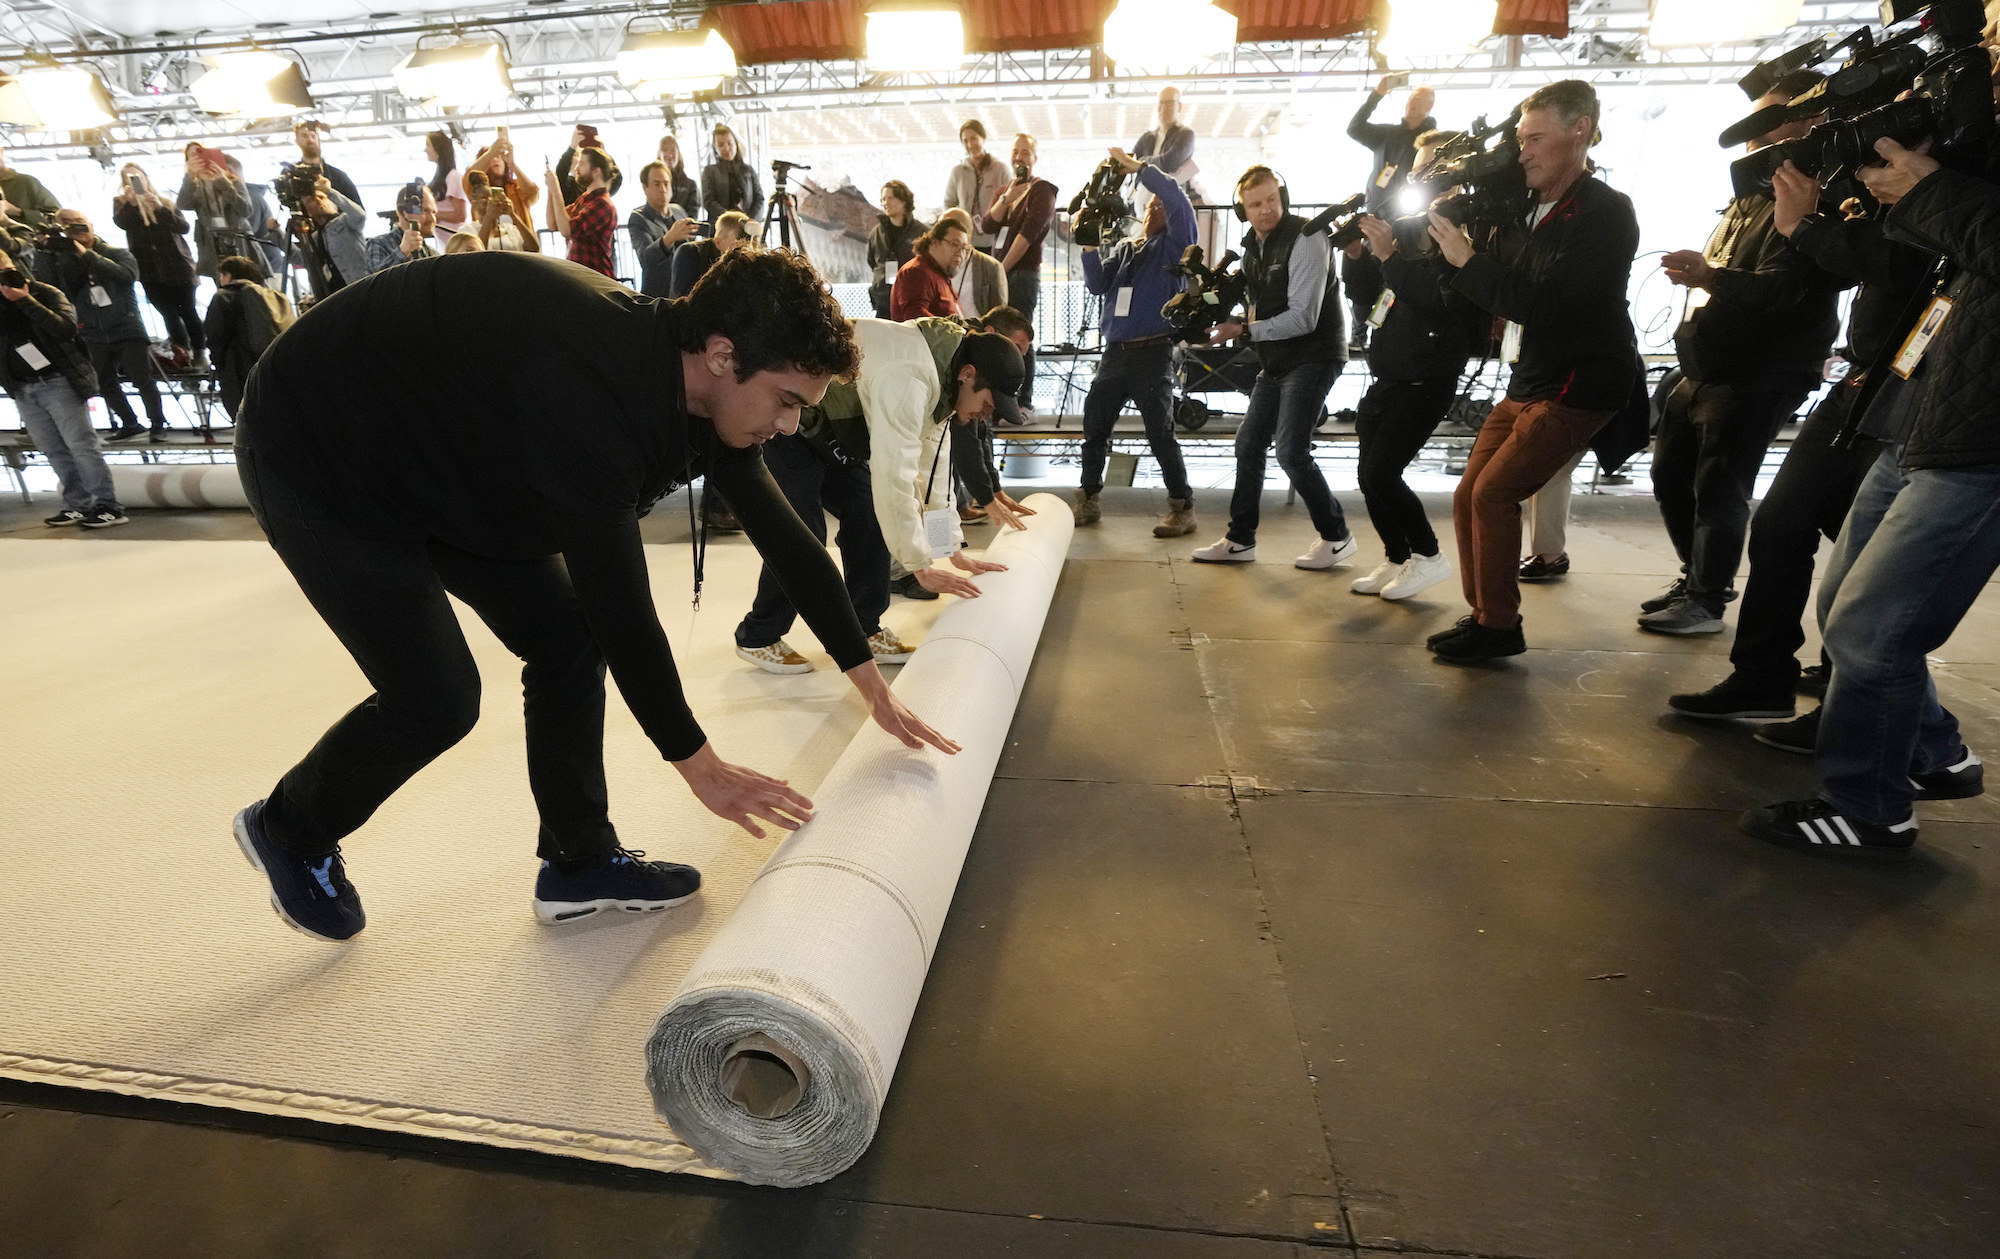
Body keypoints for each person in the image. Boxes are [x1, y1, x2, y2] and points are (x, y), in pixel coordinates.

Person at [229, 246, 958, 943]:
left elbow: (791, 538)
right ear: (723, 356)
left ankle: (578, 862)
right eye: (788, 401)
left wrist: (869, 681)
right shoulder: (590, 391)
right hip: (317, 448)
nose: (793, 424)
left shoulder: (699, 391)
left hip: (448, 454)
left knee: (566, 639)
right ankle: (289, 826)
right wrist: (701, 766)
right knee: (437, 697)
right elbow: (624, 607)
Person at [1740, 135, 1999, 857]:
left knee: (1872, 628)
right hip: (1921, 408)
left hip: (1978, 438)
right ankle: (1935, 750)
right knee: (1845, 605)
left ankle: (1870, 810)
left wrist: (1929, 190)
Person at [1669, 164, 1936, 724]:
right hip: (1865, 376)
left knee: (1867, 553)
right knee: (1781, 524)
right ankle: (1763, 678)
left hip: (1917, 384)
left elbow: (1886, 266)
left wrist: (1802, 227)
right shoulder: (1853, 198)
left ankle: (1874, 713)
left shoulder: (1955, 185)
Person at [1422, 79, 1640, 663]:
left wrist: (1468, 259)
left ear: (1580, 132)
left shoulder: (1605, 213)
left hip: (1580, 383)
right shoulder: (1520, 210)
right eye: (1520, 139)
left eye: (1536, 139)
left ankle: (1498, 626)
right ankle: (1487, 617)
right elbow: (1478, 295)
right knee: (1471, 492)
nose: (1522, 152)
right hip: (1530, 378)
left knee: (1495, 493)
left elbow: (1547, 305)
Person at [1643, 76, 1845, 636]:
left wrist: (1711, 276)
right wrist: (1705, 275)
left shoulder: (1810, 197)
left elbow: (1779, 290)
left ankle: (1706, 598)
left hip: (1768, 365)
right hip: (1712, 358)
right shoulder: (1748, 195)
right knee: (1669, 471)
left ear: (1810, 121)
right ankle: (1698, 577)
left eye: (1769, 121)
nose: (1755, 136)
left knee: (1721, 482)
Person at [733, 318, 1024, 674]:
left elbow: (933, 469)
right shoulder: (909, 374)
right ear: (968, 373)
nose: (986, 414)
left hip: (834, 430)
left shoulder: (944, 378)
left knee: (869, 511)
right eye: (989, 401)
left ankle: (863, 630)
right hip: (793, 424)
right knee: (802, 530)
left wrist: (946, 547)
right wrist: (918, 563)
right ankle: (759, 635)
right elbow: (895, 474)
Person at [1190, 166, 1353, 570]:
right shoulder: (1252, 248)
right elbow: (1235, 298)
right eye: (1255, 204)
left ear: (1283, 196)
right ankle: (1240, 539)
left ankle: (1337, 537)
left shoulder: (1308, 236)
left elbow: (1304, 318)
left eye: (1272, 200)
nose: (1266, 210)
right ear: (1242, 209)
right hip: (1277, 361)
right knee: (1248, 445)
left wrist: (1242, 330)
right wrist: (1200, 309)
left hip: (1314, 356)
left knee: (1291, 451)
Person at [1347, 145, 1487, 603]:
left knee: (1384, 472)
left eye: (1432, 172)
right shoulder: (1409, 231)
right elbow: (1371, 294)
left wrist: (1387, 255)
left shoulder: (1462, 236)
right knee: (1368, 476)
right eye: (1419, 171)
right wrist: (1358, 256)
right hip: (1388, 375)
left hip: (1427, 379)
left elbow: (1434, 299)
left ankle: (1428, 557)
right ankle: (1398, 554)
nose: (1420, 179)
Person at [1074, 148, 1198, 538]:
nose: (1154, 208)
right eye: (1151, 204)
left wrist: (1140, 169)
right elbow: (1097, 285)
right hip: (1115, 353)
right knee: (1095, 426)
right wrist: (1089, 245)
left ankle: (1182, 507)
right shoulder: (1128, 251)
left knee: (1160, 432)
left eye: (1160, 203)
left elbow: (1178, 200)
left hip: (1153, 351)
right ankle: (1089, 498)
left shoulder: (1176, 247)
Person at [0, 245, 126, 528]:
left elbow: (64, 329)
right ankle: (76, 504)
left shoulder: (45, 292)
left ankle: (108, 505)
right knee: (52, 449)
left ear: (13, 267)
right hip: (23, 387)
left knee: (81, 445)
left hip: (58, 381)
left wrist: (24, 300)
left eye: (3, 272)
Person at [45, 208, 170, 444]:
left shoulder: (117, 253)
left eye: (80, 224)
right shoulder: (65, 262)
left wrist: (87, 255)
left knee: (142, 379)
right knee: (104, 381)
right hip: (92, 330)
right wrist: (56, 251)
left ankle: (157, 424)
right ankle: (129, 422)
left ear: (91, 224)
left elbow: (127, 275)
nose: (77, 230)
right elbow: (61, 287)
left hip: (126, 326)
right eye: (69, 227)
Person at [1347, 79, 1439, 352]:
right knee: (1364, 271)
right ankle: (1361, 333)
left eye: (1421, 99)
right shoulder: (1387, 134)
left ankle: (1400, 334)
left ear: (1430, 106)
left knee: (1401, 274)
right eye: (1412, 98)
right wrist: (1377, 95)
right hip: (1376, 214)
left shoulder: (1432, 141)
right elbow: (1354, 128)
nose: (1414, 103)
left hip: (1411, 219)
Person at [980, 134, 1058, 416]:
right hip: (1000, 273)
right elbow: (988, 225)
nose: (1020, 157)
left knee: (1021, 337)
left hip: (1021, 274)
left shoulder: (1042, 190)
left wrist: (1002, 268)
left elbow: (1030, 233)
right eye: (1015, 152)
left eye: (1026, 152)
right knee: (998, 335)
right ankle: (999, 398)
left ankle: (1024, 401)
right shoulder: (1006, 190)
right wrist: (1006, 197)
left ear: (1034, 158)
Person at [110, 162, 205, 371]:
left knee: (188, 311)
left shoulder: (164, 201)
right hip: (149, 270)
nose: (134, 181)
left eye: (137, 176)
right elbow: (121, 223)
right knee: (168, 314)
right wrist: (132, 204)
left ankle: (200, 354)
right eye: (128, 178)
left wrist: (159, 208)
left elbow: (183, 227)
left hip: (177, 266)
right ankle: (182, 353)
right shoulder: (121, 204)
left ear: (145, 177)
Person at [203, 254, 294, 419]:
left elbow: (216, 335)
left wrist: (217, 361)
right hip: (273, 368)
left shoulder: (223, 297)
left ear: (228, 275)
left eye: (221, 275)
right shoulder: (271, 296)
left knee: (248, 421)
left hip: (239, 370)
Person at [178, 143, 254, 282]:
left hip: (238, 241)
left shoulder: (232, 181)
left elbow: (246, 210)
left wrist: (223, 182)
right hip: (212, 244)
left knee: (247, 283)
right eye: (192, 157)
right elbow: (183, 204)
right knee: (221, 284)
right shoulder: (194, 186)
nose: (197, 159)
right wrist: (189, 177)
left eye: (200, 153)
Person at [289, 175, 370, 301]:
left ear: (334, 205)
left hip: (363, 289)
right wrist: (277, 234)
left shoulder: (345, 221)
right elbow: (302, 259)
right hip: (338, 295)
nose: (318, 200)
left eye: (322, 197)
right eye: (311, 199)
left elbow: (359, 216)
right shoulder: (316, 236)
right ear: (308, 211)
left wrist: (329, 191)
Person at [629, 161, 698, 297]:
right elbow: (645, 257)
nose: (663, 189)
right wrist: (669, 238)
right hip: (658, 294)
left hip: (686, 291)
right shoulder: (638, 218)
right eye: (656, 184)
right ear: (645, 187)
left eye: (666, 183)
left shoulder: (678, 211)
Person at [549, 146, 619, 279]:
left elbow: (567, 230)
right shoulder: (584, 200)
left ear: (596, 171)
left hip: (596, 278)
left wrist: (556, 189)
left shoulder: (603, 205)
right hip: (582, 277)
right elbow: (553, 223)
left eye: (582, 163)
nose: (576, 168)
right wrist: (551, 190)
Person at [943, 120, 1009, 254]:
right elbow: (949, 203)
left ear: (983, 138)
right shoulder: (958, 171)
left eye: (974, 138)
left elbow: (1010, 202)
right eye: (965, 141)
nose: (970, 144)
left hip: (993, 239)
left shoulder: (1000, 169)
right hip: (965, 240)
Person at [867, 181, 927, 319]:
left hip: (911, 300)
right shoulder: (877, 232)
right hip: (883, 301)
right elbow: (872, 261)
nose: (885, 203)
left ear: (903, 200)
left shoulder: (921, 232)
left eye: (890, 198)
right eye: (883, 199)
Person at [223, 154, 287, 283]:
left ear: (229, 170)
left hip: (266, 269)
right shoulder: (250, 197)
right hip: (261, 267)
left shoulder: (250, 199)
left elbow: (247, 233)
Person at [890, 217, 966, 321]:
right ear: (934, 243)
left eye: (964, 248)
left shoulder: (941, 274)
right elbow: (916, 319)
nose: (960, 253)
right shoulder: (915, 272)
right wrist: (956, 329)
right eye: (954, 244)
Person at [937, 207, 1007, 316]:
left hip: (977, 331)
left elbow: (1000, 315)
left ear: (967, 233)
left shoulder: (991, 267)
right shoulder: (932, 264)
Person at [471, 130, 541, 236]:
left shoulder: (515, 187)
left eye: (499, 157)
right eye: (491, 157)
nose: (496, 160)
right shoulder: (477, 191)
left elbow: (532, 192)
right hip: (489, 244)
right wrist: (491, 153)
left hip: (520, 244)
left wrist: (512, 165)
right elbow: (470, 176)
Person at [669, 210, 750, 298]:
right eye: (738, 247)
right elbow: (681, 301)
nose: (743, 252)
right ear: (718, 242)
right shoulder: (690, 254)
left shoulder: (749, 260)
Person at [364, 184, 440, 275]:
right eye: (425, 211)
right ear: (402, 212)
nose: (432, 219)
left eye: (434, 212)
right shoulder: (378, 244)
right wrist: (402, 252)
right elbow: (376, 281)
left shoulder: (433, 253)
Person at [1132, 86, 1197, 188]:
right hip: (1142, 197)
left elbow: (1167, 163)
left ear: (1179, 107)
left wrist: (1141, 163)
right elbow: (1130, 162)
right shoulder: (1146, 138)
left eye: (1169, 103)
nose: (1163, 107)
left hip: (1169, 199)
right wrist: (1136, 164)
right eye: (1161, 103)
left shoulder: (1186, 135)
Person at [701, 124, 764, 223]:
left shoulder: (748, 170)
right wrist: (731, 219)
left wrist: (750, 220)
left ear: (735, 144)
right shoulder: (709, 171)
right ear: (715, 148)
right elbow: (708, 201)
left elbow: (759, 198)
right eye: (721, 145)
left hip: (749, 226)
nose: (726, 148)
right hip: (722, 226)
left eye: (729, 143)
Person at [465, 169, 538, 253]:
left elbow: (533, 248)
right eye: (484, 198)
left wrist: (513, 215)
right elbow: (477, 253)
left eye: (492, 197)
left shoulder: (510, 229)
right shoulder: (468, 230)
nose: (490, 201)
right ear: (474, 204)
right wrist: (489, 217)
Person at [291, 120, 361, 208]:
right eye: (305, 136)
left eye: (313, 136)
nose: (310, 140)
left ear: (318, 139)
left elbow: (358, 212)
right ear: (297, 141)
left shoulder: (338, 176)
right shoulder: (291, 174)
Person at [552, 123, 623, 207]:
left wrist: (603, 153)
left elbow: (616, 178)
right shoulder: (570, 185)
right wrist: (571, 148)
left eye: (582, 161)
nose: (578, 161)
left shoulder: (599, 188)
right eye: (576, 156)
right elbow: (560, 174)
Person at [424, 130, 469, 250]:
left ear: (438, 149)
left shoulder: (453, 176)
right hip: (445, 244)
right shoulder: (438, 178)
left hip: (456, 243)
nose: (425, 149)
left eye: (428, 145)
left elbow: (460, 215)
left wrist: (434, 215)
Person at [0, 144, 61, 228]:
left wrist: (18, 212)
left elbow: (58, 219)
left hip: (29, 240)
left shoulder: (26, 182)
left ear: (1, 151)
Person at [656, 133, 701, 215]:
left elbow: (693, 215)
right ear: (659, 154)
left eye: (673, 150)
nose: (670, 155)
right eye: (665, 150)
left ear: (678, 154)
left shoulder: (690, 185)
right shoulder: (653, 184)